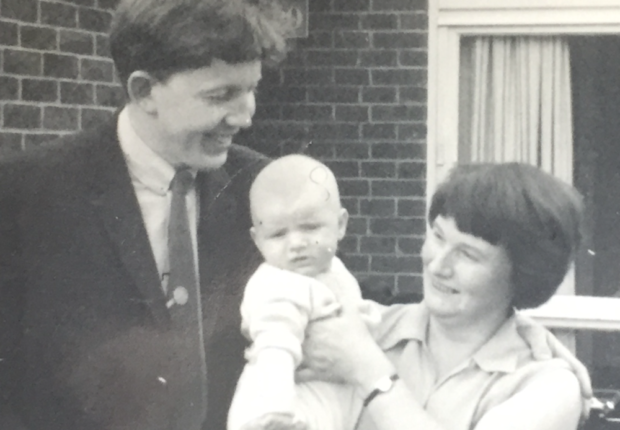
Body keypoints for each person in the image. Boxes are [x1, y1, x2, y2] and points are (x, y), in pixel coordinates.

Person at [0, 0, 293, 429]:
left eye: (252, 89)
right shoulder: (26, 194)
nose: (245, 116)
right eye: (221, 95)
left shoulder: (264, 189)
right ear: (143, 91)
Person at [296, 163, 587, 430]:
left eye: (468, 254)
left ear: (522, 275)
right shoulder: (361, 325)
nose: (437, 265)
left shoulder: (547, 386)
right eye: (438, 236)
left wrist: (370, 373)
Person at [227, 154, 380, 430]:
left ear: (341, 225)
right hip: (283, 407)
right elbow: (275, 348)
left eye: (310, 227)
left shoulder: (335, 272)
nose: (296, 242)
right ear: (258, 240)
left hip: (331, 406)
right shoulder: (276, 284)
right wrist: (276, 414)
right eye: (278, 234)